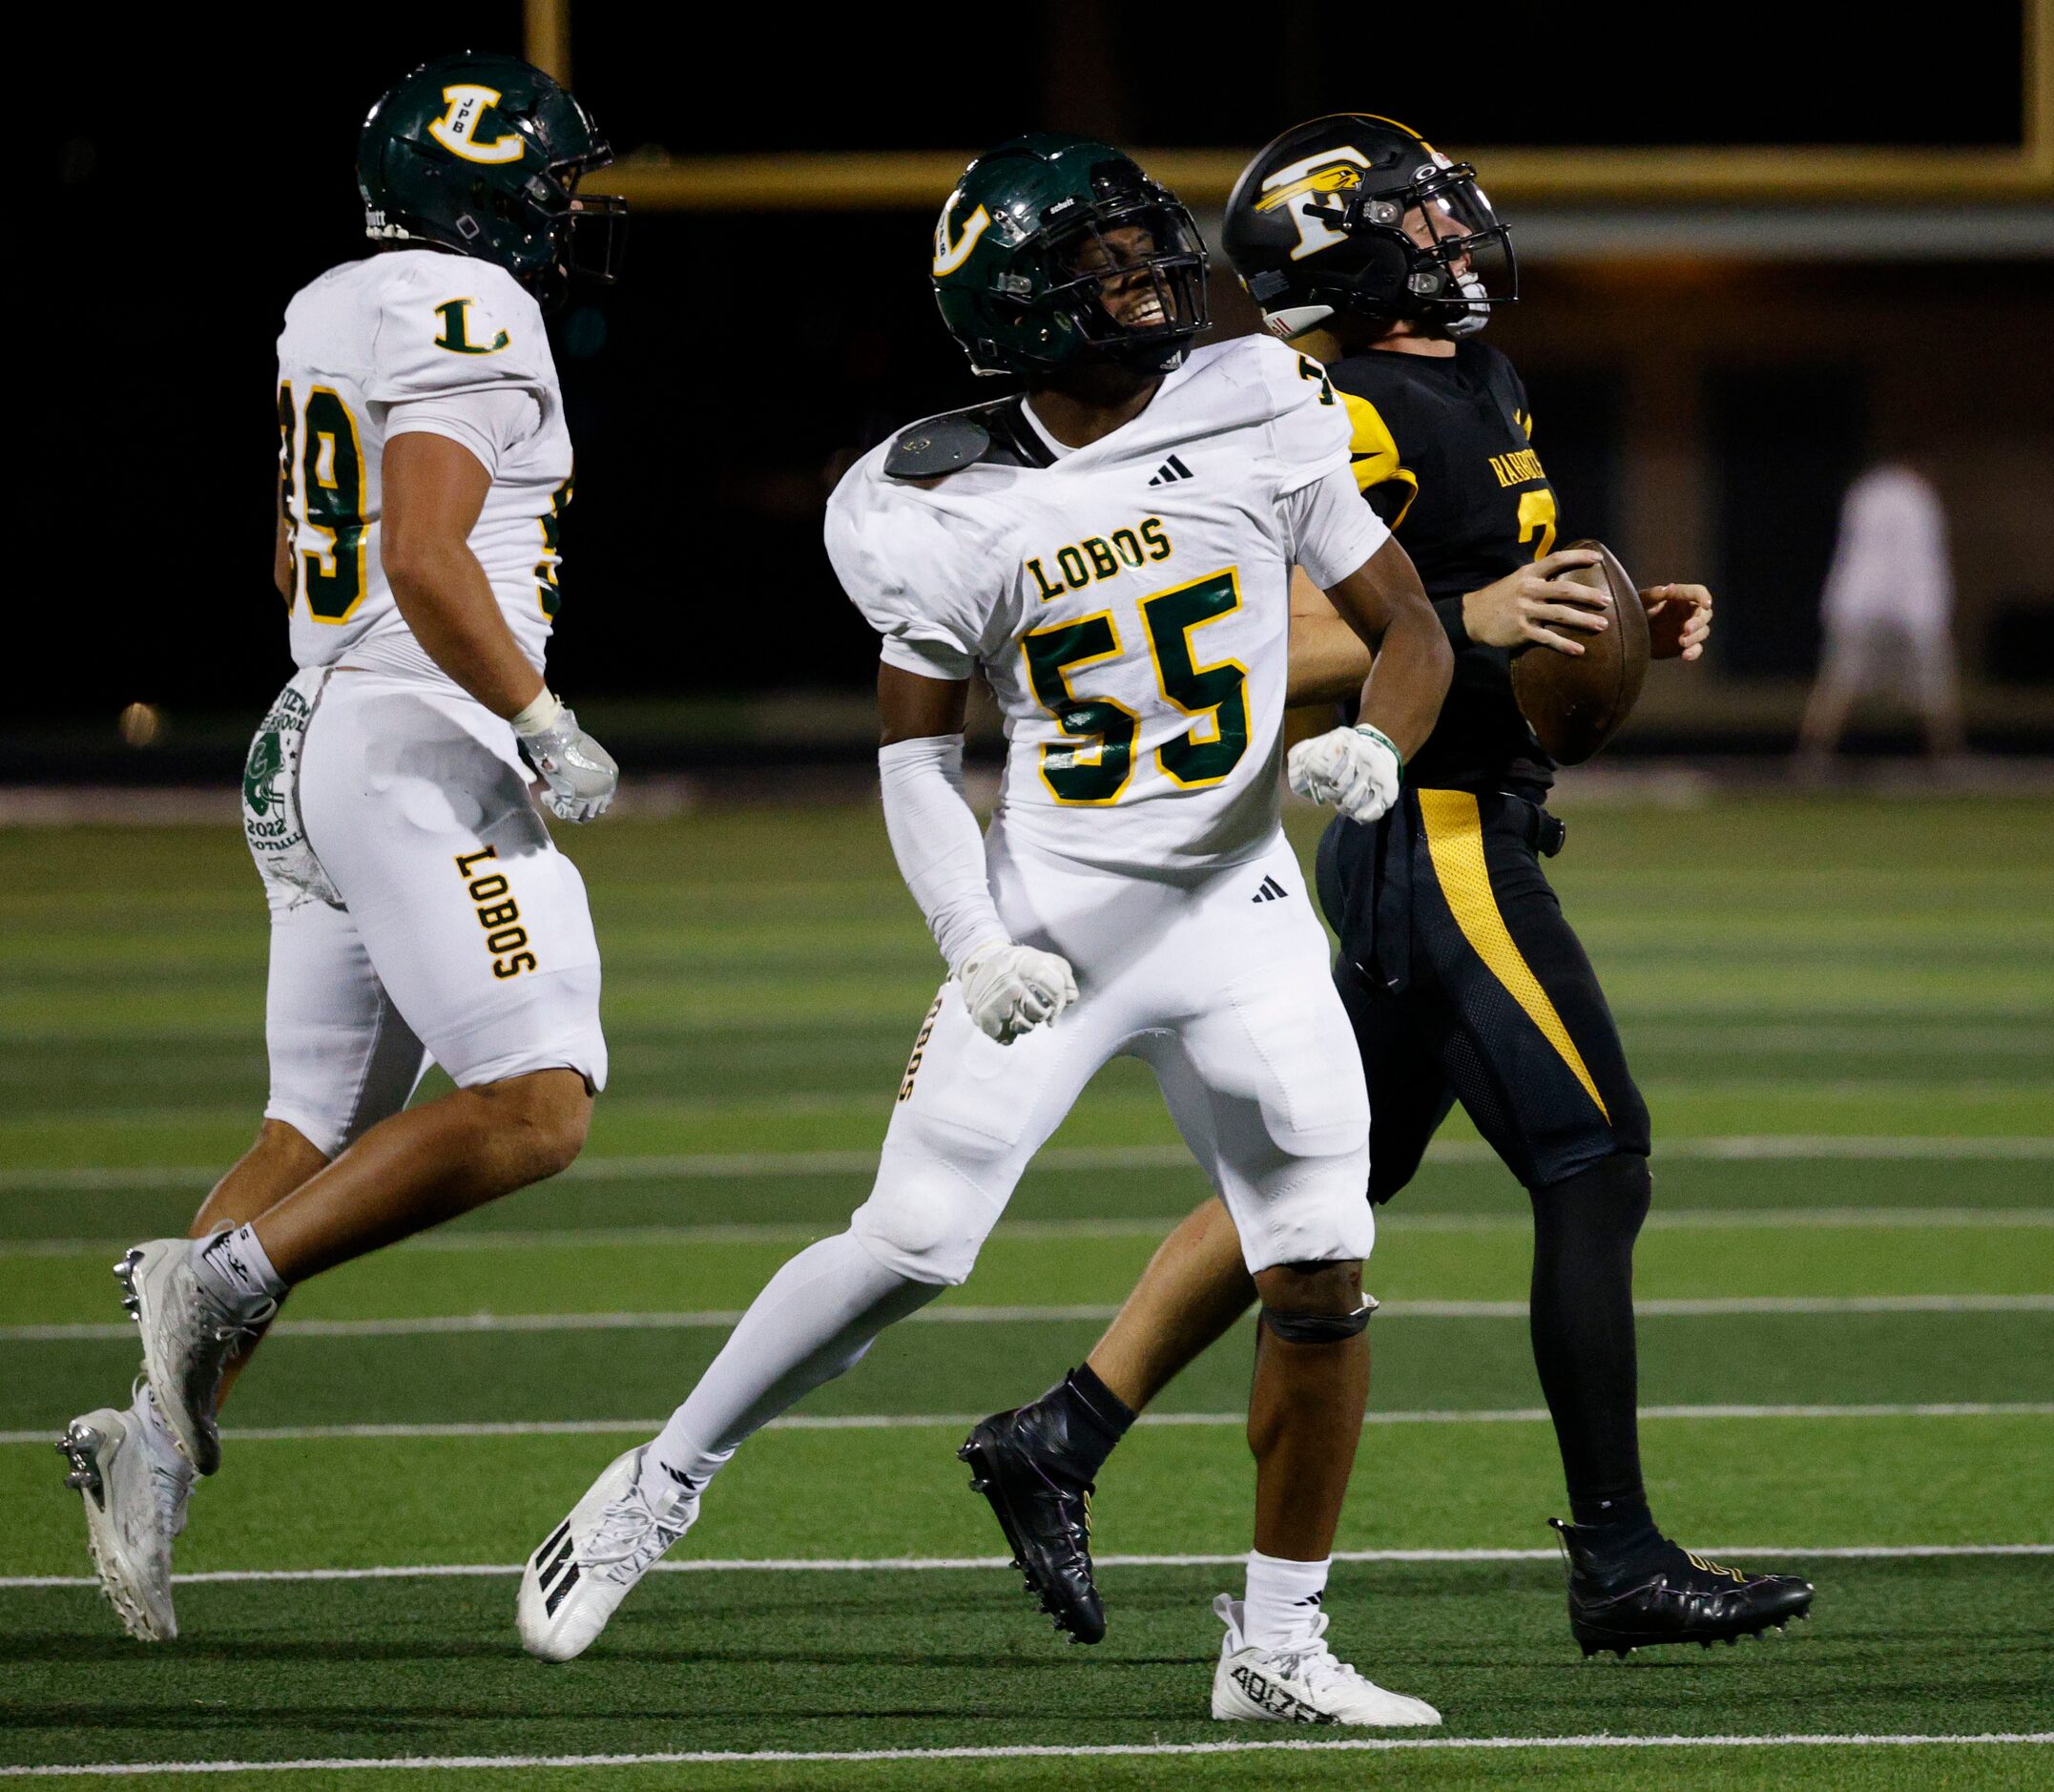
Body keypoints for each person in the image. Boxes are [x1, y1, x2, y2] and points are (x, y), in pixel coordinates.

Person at [517, 133, 1456, 1727]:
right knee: (909, 1244)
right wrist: (968, 937)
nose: (1151, 275)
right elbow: (908, 757)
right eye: (1105, 262)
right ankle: (654, 1482)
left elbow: (1411, 629)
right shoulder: (931, 498)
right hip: (1054, 913)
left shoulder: (1251, 399)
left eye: (1139, 244)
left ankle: (1276, 1643)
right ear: (1026, 307)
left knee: (1319, 1264)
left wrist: (1379, 735)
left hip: (1238, 907)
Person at [964, 115, 1815, 1660]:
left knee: (1317, 1186)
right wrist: (1467, 612)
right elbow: (1257, 637)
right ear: (1338, 252)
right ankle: (1616, 1554)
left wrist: (1610, 617)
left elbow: (1499, 581)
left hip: (1463, 816)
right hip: (1423, 828)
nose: (1449, 236)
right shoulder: (1328, 404)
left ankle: (1058, 1434)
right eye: (1414, 222)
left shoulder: (1472, 379)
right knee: (1590, 1153)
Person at [58, 52, 627, 1644]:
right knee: (533, 1104)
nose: (571, 213)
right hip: (409, 737)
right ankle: (213, 1279)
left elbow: (315, 541)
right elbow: (426, 548)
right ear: (488, 194)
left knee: (311, 1133)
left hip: (310, 723)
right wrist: (535, 710)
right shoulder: (473, 306)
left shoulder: (331, 299)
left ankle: (146, 1455)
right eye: (553, 185)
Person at [1797, 461, 1964, 766]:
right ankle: (1949, 760)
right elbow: (1925, 559)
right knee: (1935, 686)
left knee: (1838, 682)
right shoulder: (1921, 494)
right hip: (1913, 604)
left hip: (1859, 599)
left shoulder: (1864, 490)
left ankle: (1811, 759)